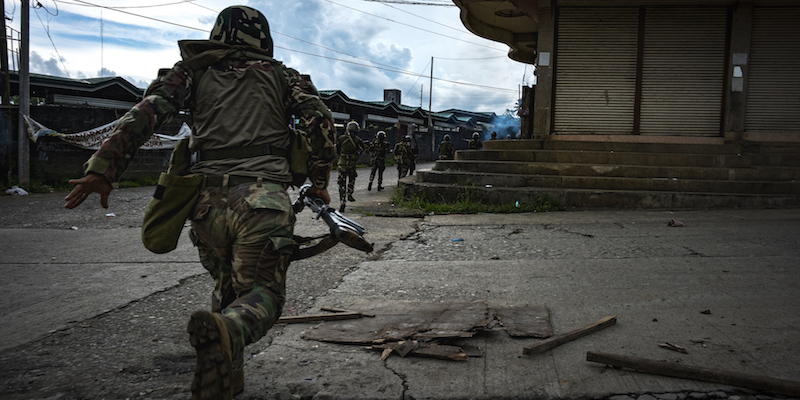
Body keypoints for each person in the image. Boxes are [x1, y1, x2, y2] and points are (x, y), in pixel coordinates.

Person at [63, 6, 337, 400]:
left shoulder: (192, 73)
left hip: (206, 204)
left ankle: (228, 376)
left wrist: (103, 169)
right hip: (263, 200)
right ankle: (230, 331)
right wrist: (321, 179)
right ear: (263, 38)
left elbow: (147, 112)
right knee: (263, 294)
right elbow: (318, 117)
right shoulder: (282, 76)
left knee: (226, 287)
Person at [337, 121, 365, 212]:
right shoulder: (357, 140)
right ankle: (350, 193)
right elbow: (362, 149)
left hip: (342, 164)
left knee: (341, 183)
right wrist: (356, 155)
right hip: (352, 164)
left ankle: (342, 201)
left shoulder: (341, 138)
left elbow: (337, 149)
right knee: (351, 179)